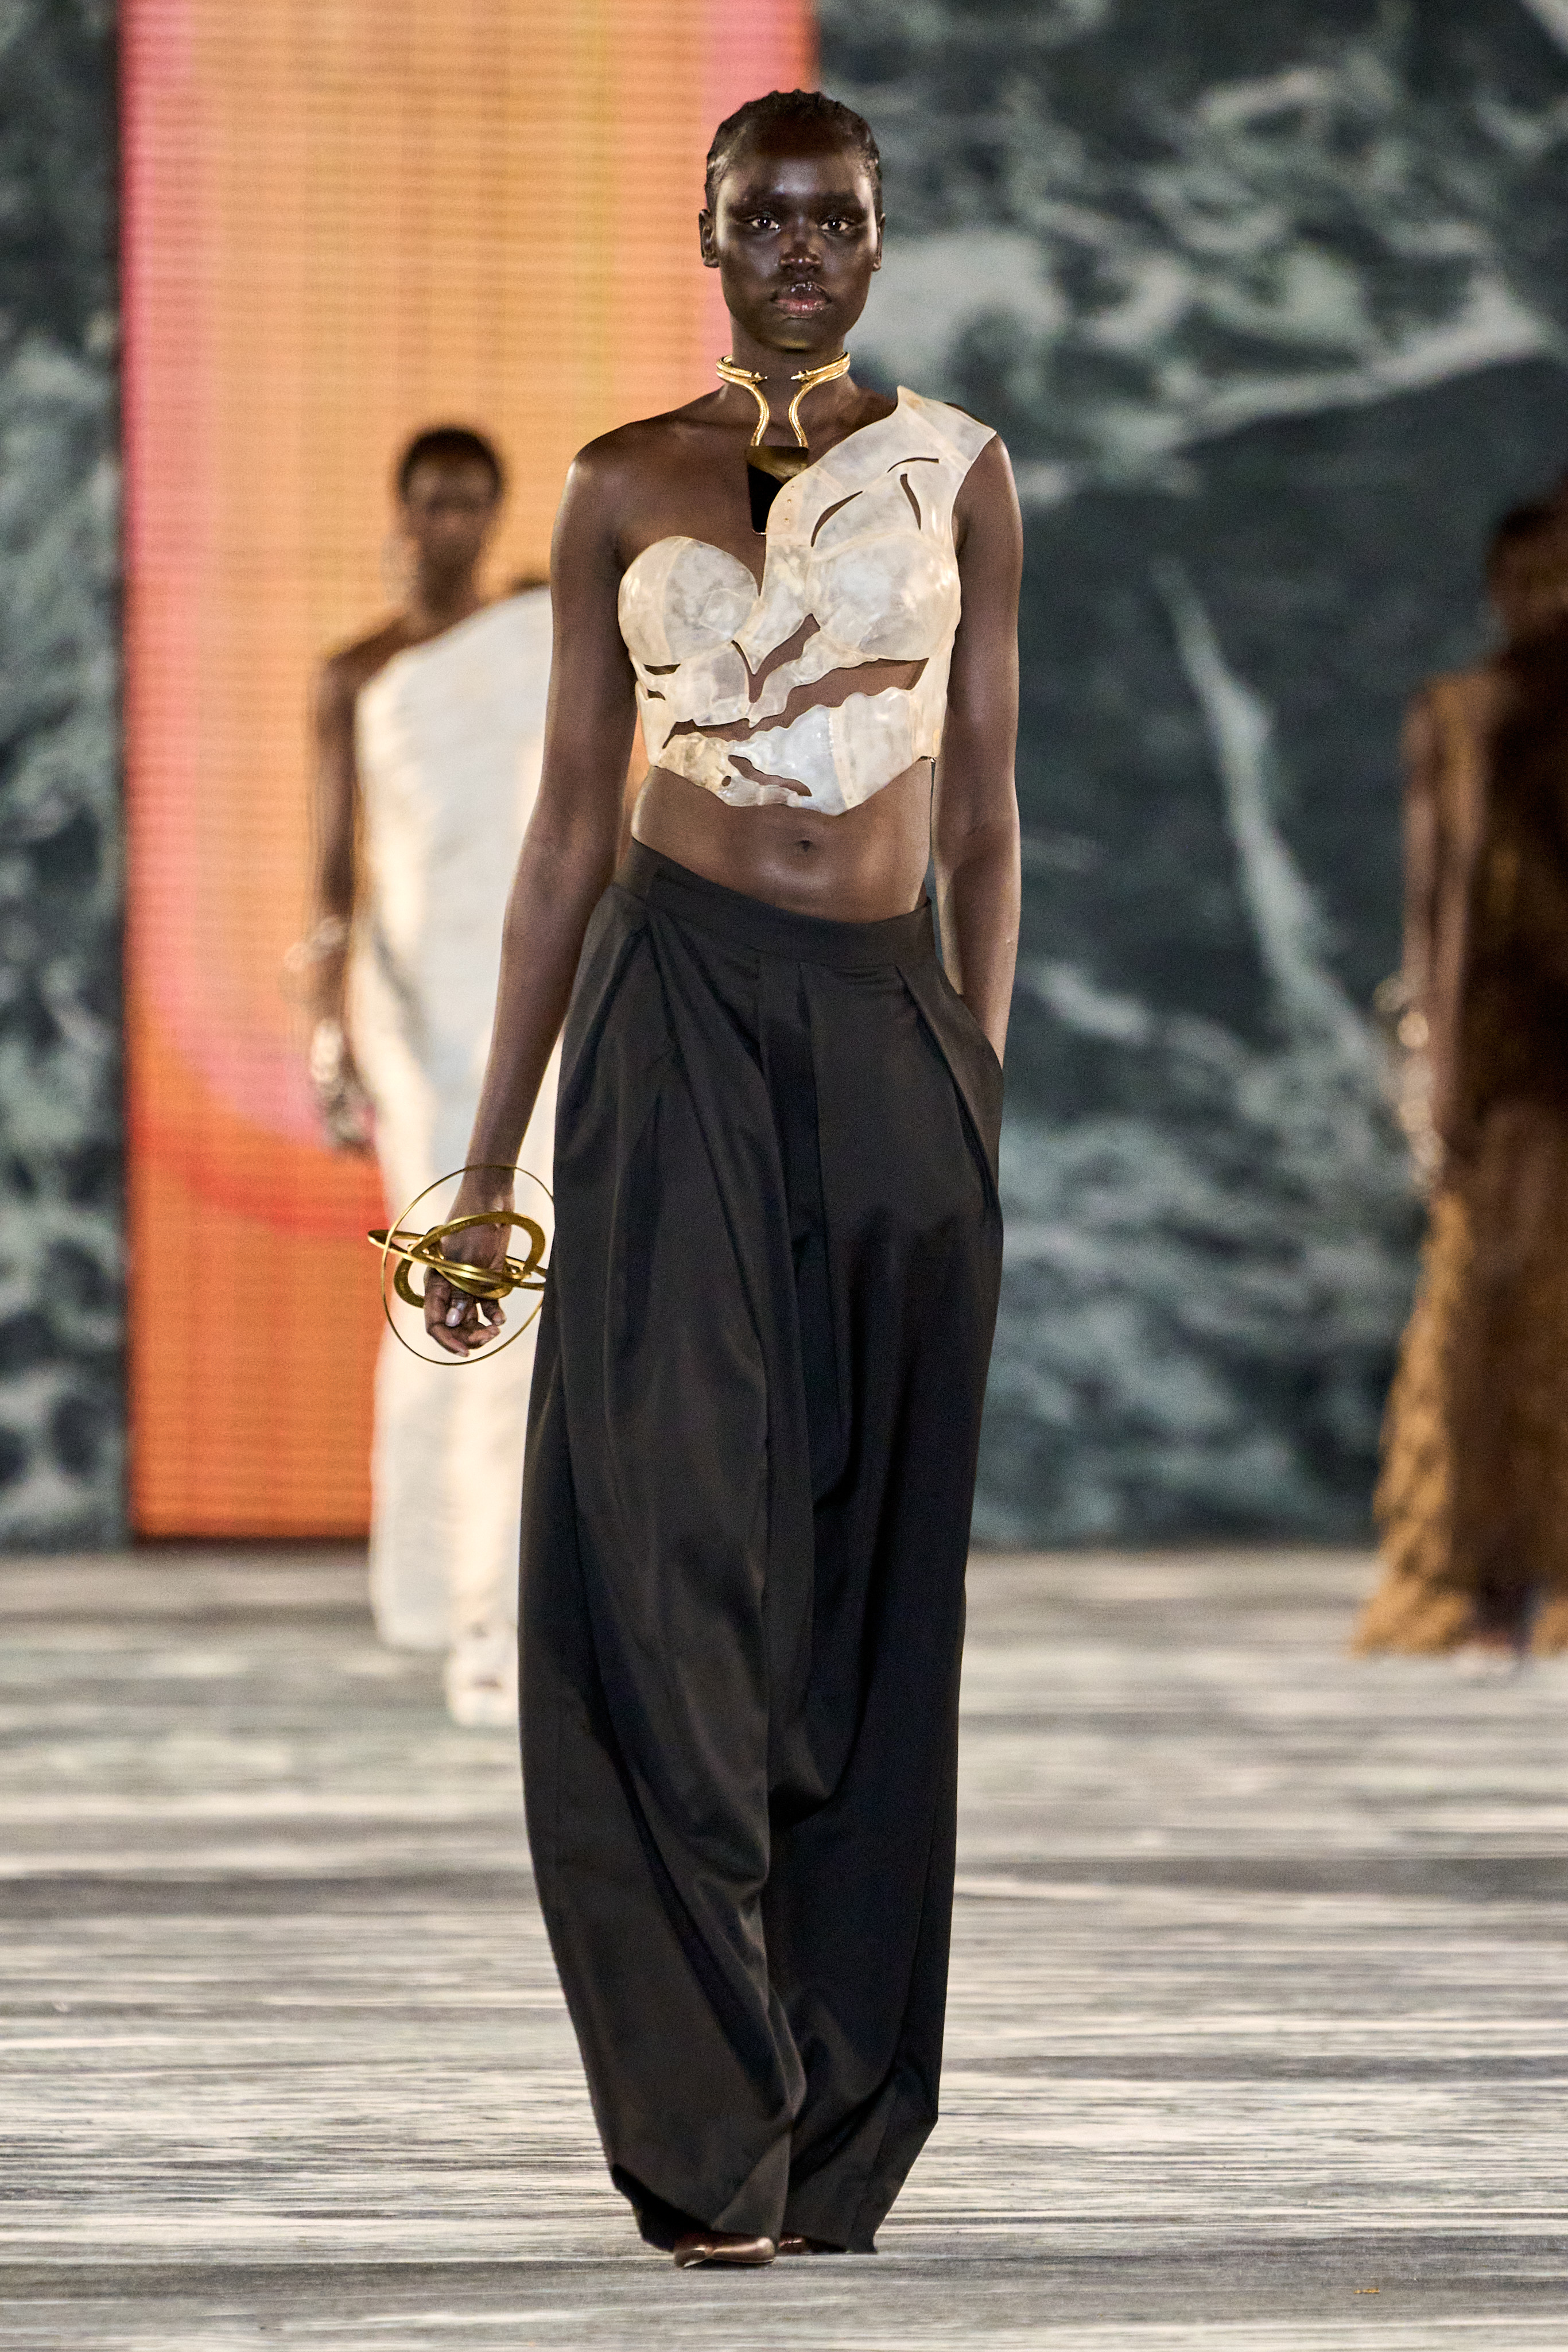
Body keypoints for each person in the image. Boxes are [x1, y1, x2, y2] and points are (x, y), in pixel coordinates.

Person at [421, 90, 1021, 2264]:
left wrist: (972, 1087)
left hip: (884, 1030)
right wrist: (483, 1167)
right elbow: (561, 831)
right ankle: (703, 2125)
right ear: (707, 233)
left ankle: (834, 2114)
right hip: (671, 1008)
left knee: (868, 1573)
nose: (798, 250)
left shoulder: (960, 471)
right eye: (763, 217)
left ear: (876, 237)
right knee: (663, 1549)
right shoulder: (618, 480)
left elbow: (987, 813)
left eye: (832, 219)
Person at [302, 424, 559, 1725]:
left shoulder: (538, 631)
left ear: (496, 509)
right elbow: (332, 875)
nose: (450, 520)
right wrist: (327, 1029)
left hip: (523, 988)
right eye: (432, 501)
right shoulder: (357, 671)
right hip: (411, 1004)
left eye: (471, 500)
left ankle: (492, 1591)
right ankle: (427, 1583)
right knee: (435, 1265)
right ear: (402, 510)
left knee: (522, 1270)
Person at [1357, 498, 1568, 1660]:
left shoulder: (1470, 713)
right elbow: (1438, 899)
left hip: (1510, 1047)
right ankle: (1492, 1581)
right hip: (1510, 1053)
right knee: (1496, 1309)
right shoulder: (1463, 713)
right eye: (1531, 578)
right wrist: (1437, 1061)